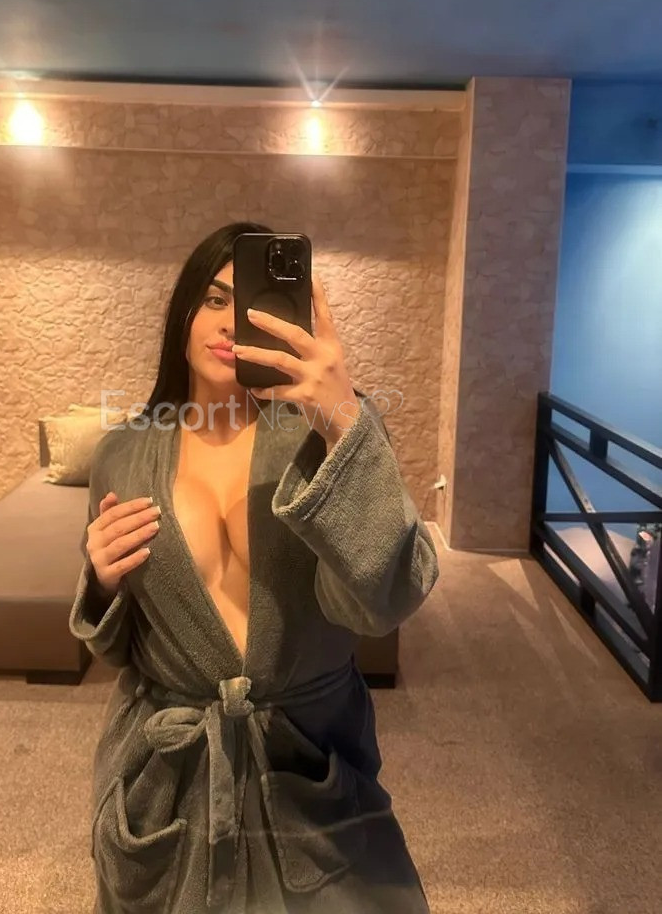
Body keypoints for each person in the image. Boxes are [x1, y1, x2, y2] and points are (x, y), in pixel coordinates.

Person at [69, 221, 440, 914]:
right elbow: (117, 650)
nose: (228, 323)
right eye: (214, 299)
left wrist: (342, 417)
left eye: (252, 306)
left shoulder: (326, 436)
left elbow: (383, 603)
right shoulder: (123, 454)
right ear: (182, 312)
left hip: (309, 761)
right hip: (167, 778)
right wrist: (102, 580)